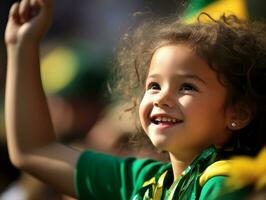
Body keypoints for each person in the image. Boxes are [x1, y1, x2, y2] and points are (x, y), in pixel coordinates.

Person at [4, 0, 266, 200]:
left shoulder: (225, 184)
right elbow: (34, 151)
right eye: (153, 85)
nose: (162, 97)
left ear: (239, 113)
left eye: (187, 87)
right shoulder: (143, 181)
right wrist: (21, 45)